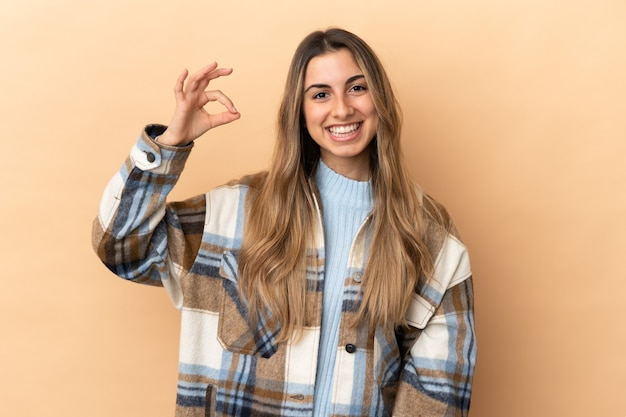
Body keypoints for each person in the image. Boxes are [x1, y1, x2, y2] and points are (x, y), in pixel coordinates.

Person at [92, 28, 476, 417]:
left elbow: (437, 394)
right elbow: (119, 245)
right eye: (321, 94)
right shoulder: (235, 213)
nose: (341, 109)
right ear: (300, 111)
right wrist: (171, 143)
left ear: (381, 99)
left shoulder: (429, 237)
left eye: (357, 88)